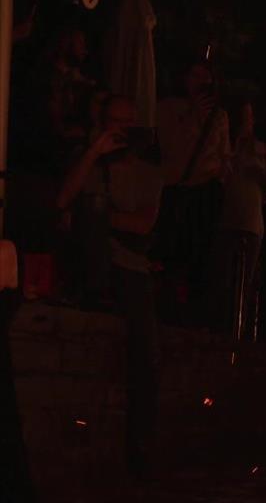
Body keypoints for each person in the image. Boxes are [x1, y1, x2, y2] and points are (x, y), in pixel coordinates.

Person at [57, 95, 163, 475]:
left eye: (126, 123)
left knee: (145, 356)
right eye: (112, 122)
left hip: (131, 268)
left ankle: (141, 448)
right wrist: (92, 154)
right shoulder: (89, 162)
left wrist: (97, 217)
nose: (119, 130)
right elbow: (62, 200)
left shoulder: (148, 172)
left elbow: (143, 224)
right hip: (94, 266)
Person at [155, 60, 231, 323]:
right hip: (177, 186)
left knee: (201, 252)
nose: (199, 82)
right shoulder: (167, 108)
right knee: (172, 251)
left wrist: (221, 173)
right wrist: (192, 116)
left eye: (205, 77)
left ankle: (195, 310)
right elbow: (170, 147)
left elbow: (223, 153)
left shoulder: (219, 116)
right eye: (194, 75)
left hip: (206, 190)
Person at [206, 101, 266, 336]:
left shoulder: (262, 151)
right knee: (221, 279)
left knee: (244, 282)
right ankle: (217, 328)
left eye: (250, 117)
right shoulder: (225, 146)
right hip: (228, 220)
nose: (246, 122)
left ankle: (239, 331)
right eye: (243, 117)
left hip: (251, 223)